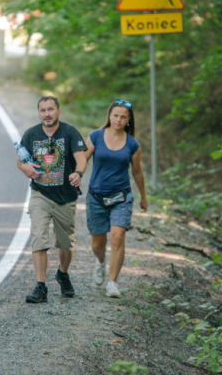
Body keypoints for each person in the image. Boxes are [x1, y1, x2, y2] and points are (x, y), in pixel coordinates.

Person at [17, 96, 87, 303]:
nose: (47, 114)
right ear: (39, 113)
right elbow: (20, 160)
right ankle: (41, 287)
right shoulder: (31, 134)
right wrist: (25, 168)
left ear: (58, 111)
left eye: (50, 109)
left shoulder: (70, 132)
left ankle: (63, 274)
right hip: (40, 193)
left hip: (65, 196)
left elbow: (81, 157)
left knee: (66, 244)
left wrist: (78, 173)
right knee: (38, 235)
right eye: (43, 110)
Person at [83, 99, 147, 298]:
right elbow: (82, 159)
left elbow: (137, 172)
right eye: (115, 115)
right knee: (98, 245)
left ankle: (112, 283)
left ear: (128, 120)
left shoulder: (133, 144)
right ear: (109, 116)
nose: (118, 120)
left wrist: (143, 197)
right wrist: (75, 175)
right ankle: (100, 263)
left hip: (121, 197)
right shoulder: (95, 136)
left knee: (117, 238)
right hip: (96, 197)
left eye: (123, 117)